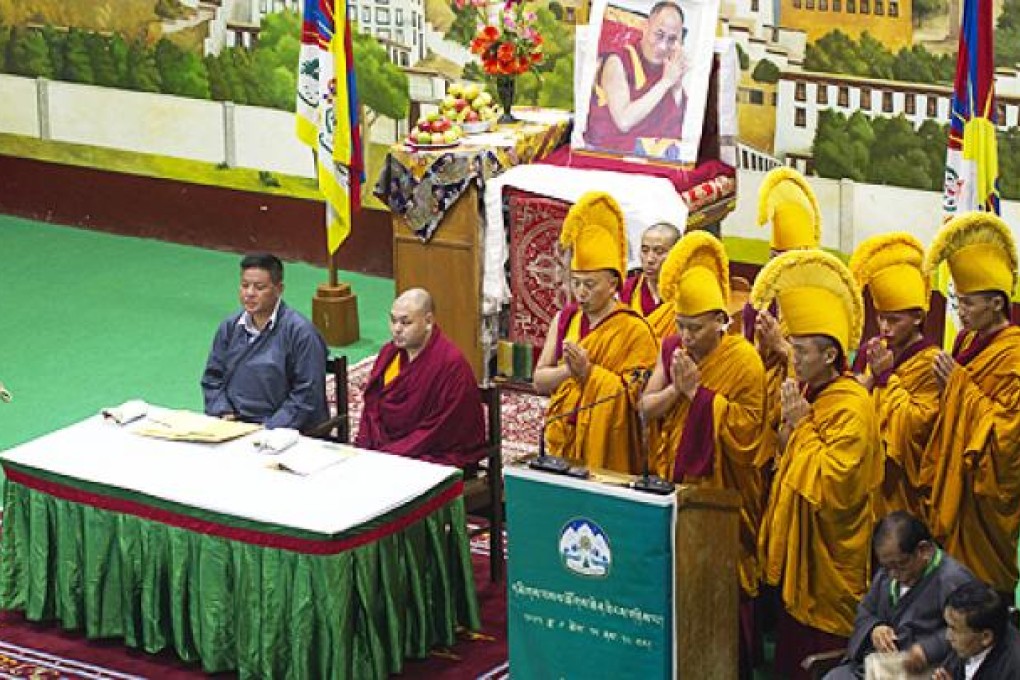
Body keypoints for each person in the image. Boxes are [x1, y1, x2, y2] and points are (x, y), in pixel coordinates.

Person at [639, 230, 765, 679]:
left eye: (695, 327)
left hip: (721, 495)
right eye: (680, 326)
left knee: (719, 595)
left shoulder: (745, 362)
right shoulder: (673, 349)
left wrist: (700, 396)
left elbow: (749, 438)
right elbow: (646, 407)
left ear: (720, 321)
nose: (686, 336)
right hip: (674, 486)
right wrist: (679, 388)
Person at [751, 249, 882, 680]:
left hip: (832, 551)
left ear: (829, 356)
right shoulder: (813, 392)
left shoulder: (852, 405)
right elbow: (792, 457)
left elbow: (835, 482)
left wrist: (801, 428)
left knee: (823, 653)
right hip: (802, 550)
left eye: (801, 350)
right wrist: (794, 432)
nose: (794, 357)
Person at [921, 212, 1020, 599]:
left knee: (979, 595)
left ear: (997, 303)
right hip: (956, 482)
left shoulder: (1013, 355)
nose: (960, 311)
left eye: (968, 302)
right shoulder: (965, 342)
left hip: (986, 500)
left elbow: (1008, 439)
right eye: (958, 301)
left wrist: (959, 385)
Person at [533, 192, 658, 474]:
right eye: (576, 283)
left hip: (609, 447)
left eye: (590, 284)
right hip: (564, 437)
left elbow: (638, 402)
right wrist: (570, 371)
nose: (581, 292)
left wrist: (590, 373)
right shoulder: (566, 318)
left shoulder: (634, 329)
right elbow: (539, 381)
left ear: (614, 283)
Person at [848, 233, 940, 520]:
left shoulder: (930, 362)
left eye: (894, 320)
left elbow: (916, 427)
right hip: (863, 477)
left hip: (901, 486)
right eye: (881, 318)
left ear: (918, 317)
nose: (885, 328)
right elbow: (848, 404)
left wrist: (887, 378)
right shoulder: (871, 351)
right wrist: (872, 379)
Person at [824, 511, 977, 680]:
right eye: (887, 566)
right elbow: (865, 611)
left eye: (901, 565)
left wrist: (927, 649)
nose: (895, 574)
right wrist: (875, 628)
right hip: (878, 666)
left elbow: (971, 631)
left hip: (925, 670)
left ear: (923, 550)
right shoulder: (887, 574)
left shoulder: (954, 580)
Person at [356, 288, 485, 467]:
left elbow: (440, 428)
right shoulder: (389, 353)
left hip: (429, 451)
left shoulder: (450, 364)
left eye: (405, 322)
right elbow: (372, 406)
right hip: (387, 447)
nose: (397, 329)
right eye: (393, 321)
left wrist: (391, 455)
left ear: (428, 321)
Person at [201, 253, 328, 430]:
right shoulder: (230, 327)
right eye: (245, 286)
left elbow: (307, 394)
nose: (250, 294)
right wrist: (223, 412)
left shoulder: (301, 333)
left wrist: (269, 428)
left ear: (279, 289)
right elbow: (212, 378)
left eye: (259, 287)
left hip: (282, 429)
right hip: (232, 422)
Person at [585, 1, 688, 156]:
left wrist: (677, 86)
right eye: (659, 35)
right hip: (608, 154)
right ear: (645, 27)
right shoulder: (618, 62)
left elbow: (677, 129)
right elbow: (624, 121)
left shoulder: (668, 68)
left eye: (672, 39)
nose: (663, 46)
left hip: (652, 155)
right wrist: (666, 82)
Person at [934, 581, 1020, 679]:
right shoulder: (968, 646)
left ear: (985, 637)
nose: (948, 636)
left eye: (954, 629)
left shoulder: (1013, 670)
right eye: (948, 626)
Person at [619, 222, 682, 340]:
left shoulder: (684, 293)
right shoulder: (628, 289)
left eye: (659, 252)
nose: (649, 259)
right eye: (645, 250)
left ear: (676, 253)